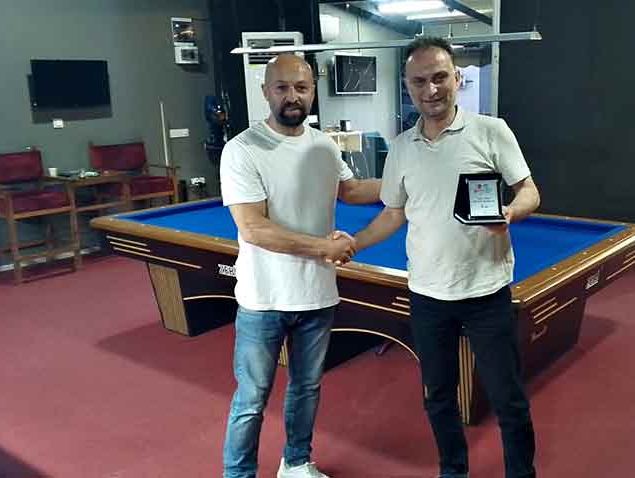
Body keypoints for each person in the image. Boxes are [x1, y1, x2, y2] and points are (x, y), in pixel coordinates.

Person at [353, 37, 541, 478]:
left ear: (457, 78)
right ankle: (453, 471)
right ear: (408, 86)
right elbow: (393, 213)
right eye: (419, 81)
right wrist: (354, 243)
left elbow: (529, 191)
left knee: (508, 399)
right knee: (437, 397)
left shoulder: (492, 131)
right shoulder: (401, 147)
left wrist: (511, 212)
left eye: (440, 77)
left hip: (487, 293)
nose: (431, 89)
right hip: (427, 295)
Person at [220, 54, 381, 478]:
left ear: (312, 92)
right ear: (266, 92)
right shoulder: (242, 149)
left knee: (307, 388)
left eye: (302, 87)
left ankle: (295, 463)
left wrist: (410, 178)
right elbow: (253, 228)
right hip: (264, 298)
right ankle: (238, 474)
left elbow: (353, 190)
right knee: (252, 399)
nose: (292, 96)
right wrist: (323, 248)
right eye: (282, 87)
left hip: (317, 295)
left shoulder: (323, 145)